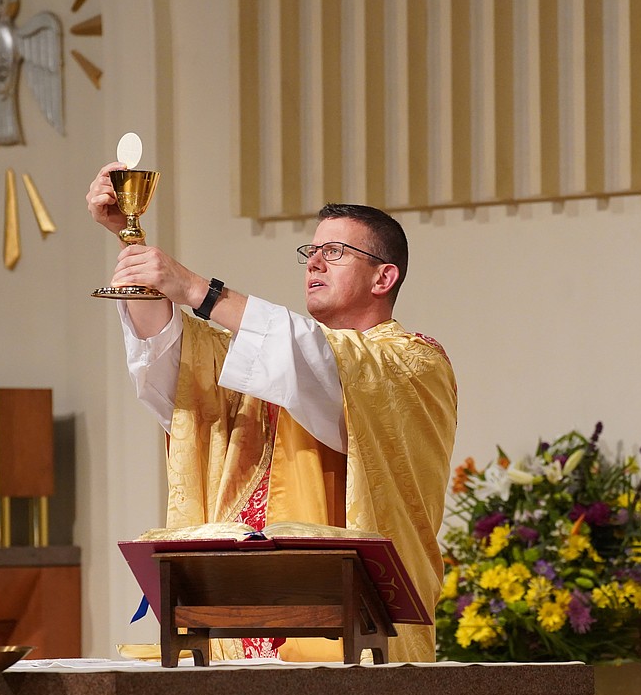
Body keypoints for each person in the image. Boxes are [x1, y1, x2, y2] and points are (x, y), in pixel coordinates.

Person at [88, 162, 457, 662]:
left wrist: (195, 287)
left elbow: (321, 362)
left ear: (383, 276)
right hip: (240, 625)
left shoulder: (411, 362)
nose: (314, 263)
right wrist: (130, 242)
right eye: (311, 252)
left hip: (354, 635)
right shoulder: (275, 362)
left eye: (335, 253)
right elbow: (177, 364)